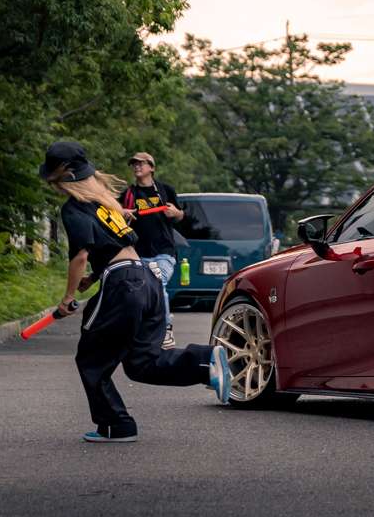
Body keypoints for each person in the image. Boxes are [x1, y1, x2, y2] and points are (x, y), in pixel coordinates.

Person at [40, 140, 232, 443]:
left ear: (60, 179)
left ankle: (115, 425)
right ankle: (206, 363)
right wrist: (92, 278)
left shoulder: (75, 208)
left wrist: (66, 299)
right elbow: (118, 248)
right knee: (142, 363)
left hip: (124, 284)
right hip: (146, 278)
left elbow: (80, 254)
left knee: (91, 359)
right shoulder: (106, 204)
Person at [121, 152, 184, 350]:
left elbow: (181, 216)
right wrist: (123, 215)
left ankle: (166, 330)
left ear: (152, 167)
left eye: (141, 163)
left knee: (158, 282)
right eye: (134, 164)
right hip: (137, 253)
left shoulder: (166, 191)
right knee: (137, 292)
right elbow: (115, 220)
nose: (137, 167)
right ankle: (139, 332)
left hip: (164, 252)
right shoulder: (128, 195)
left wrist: (177, 213)